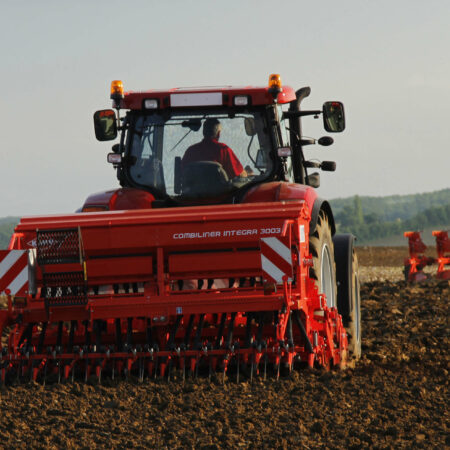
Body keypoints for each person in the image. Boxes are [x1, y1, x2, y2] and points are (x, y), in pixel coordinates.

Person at [181, 118, 247, 179]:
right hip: (221, 191)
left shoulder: (191, 151)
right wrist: (247, 173)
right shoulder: (223, 149)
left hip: (194, 191)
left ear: (203, 132)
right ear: (218, 134)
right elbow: (237, 174)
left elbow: (182, 175)